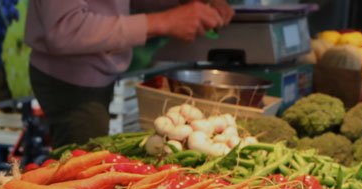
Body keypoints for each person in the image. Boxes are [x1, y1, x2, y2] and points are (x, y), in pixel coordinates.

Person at [26, 1, 235, 148]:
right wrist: (164, 21)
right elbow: (64, 29)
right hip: (70, 81)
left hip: (92, 75)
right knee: (81, 182)